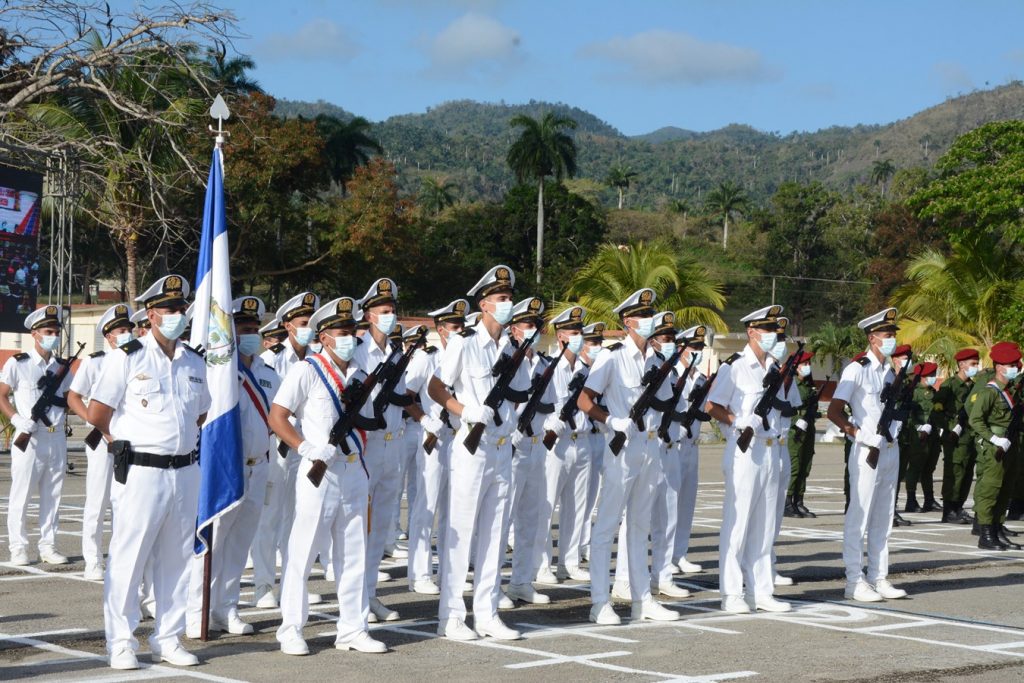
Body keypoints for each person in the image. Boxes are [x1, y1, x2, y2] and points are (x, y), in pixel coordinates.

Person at [88, 275, 210, 669]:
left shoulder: (193, 361)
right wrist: (123, 439)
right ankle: (121, 641)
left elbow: (201, 412)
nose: (177, 316)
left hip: (185, 470)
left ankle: (168, 636)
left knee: (177, 559)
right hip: (141, 471)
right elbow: (97, 412)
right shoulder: (129, 355)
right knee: (129, 558)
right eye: (169, 310)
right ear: (152, 314)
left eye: (181, 309)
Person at [269, 296, 386, 655]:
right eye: (341, 331)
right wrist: (305, 447)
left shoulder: (362, 375)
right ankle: (291, 627)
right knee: (302, 552)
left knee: (353, 555)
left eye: (352, 330)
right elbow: (278, 416)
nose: (348, 336)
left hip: (354, 471)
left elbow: (368, 422)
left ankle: (353, 627)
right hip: (319, 473)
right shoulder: (307, 370)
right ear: (324, 337)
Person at [428, 265, 531, 641]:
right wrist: (464, 411)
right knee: (460, 531)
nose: (508, 304)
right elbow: (436, 387)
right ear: (484, 303)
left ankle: (486, 612)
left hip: (503, 450)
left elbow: (521, 394)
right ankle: (452, 616)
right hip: (473, 448)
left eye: (510, 298)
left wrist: (514, 425)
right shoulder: (464, 341)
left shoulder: (514, 348)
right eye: (502, 298)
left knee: (494, 533)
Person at [578, 291, 681, 625]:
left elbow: (665, 404)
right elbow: (584, 399)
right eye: (644, 314)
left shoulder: (654, 360)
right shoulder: (612, 357)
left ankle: (642, 599)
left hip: (650, 450)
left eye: (651, 312)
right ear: (628, 321)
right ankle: (599, 601)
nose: (650, 319)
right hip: (621, 448)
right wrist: (610, 419)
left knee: (639, 526)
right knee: (607, 525)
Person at [185, 296, 278, 638]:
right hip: (226, 466)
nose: (251, 334)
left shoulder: (268, 373)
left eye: (255, 329)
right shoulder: (219, 370)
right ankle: (198, 610)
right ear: (231, 332)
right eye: (244, 329)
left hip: (259, 466)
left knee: (240, 544)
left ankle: (227, 608)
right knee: (214, 540)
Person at [706, 305, 793, 614]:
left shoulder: (775, 367)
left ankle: (762, 591)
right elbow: (712, 405)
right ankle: (732, 593)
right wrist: (737, 421)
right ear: (752, 332)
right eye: (767, 330)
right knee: (738, 524)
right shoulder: (735, 366)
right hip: (745, 451)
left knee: (765, 525)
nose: (773, 336)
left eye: (775, 330)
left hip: (771, 450)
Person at [352, 278, 426, 623]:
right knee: (358, 528)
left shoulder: (396, 353)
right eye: (383, 311)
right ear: (368, 314)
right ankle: (354, 601)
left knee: (380, 528)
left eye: (393, 310)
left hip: (393, 446)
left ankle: (369, 596)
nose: (390, 316)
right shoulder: (355, 350)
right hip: (366, 446)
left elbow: (402, 398)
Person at [827, 307, 909, 603]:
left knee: (883, 517)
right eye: (888, 335)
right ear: (873, 337)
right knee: (859, 517)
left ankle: (879, 576)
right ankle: (854, 580)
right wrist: (860, 435)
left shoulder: (889, 372)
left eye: (893, 335)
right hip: (866, 451)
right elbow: (834, 412)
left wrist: (894, 429)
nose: (892, 340)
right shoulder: (857, 368)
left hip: (889, 448)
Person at [252, 292, 320, 609]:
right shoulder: (270, 360)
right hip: (276, 449)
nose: (309, 328)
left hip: (307, 449)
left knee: (298, 519)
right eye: (303, 323)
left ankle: (295, 585)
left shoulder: (319, 359)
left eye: (312, 322)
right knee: (269, 519)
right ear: (287, 326)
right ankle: (264, 585)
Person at [1, 304, 72, 567]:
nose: (53, 335)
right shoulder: (19, 363)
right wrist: (17, 419)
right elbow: (1, 394)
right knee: (21, 495)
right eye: (48, 330)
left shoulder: (62, 367)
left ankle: (48, 545)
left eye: (55, 330)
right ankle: (18, 547)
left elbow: (70, 398)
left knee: (53, 494)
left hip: (56, 437)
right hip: (29, 437)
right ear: (35, 333)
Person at [67, 303, 135, 580]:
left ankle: (120, 558)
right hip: (100, 442)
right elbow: (74, 397)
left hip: (128, 441)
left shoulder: (137, 359)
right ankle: (92, 559)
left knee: (125, 504)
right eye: (122, 330)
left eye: (129, 329)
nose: (127, 334)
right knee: (97, 503)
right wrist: (97, 424)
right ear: (109, 336)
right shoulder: (96, 362)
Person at [406, 299, 467, 594]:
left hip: (457, 439)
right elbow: (404, 395)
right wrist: (424, 419)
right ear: (441, 329)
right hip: (433, 437)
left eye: (462, 326)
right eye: (454, 326)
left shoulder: (465, 353)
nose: (460, 331)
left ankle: (448, 570)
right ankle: (419, 573)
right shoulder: (426, 358)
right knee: (426, 506)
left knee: (453, 509)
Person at [535, 305, 593, 584]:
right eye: (573, 331)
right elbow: (533, 403)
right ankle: (542, 563)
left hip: (580, 441)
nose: (578, 336)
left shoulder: (585, 370)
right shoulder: (548, 367)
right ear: (560, 336)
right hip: (554, 444)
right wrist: (548, 423)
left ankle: (569, 562)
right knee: (546, 505)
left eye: (580, 331)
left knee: (577, 508)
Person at [505, 296, 555, 605]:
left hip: (536, 446)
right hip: (511, 446)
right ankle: (490, 586)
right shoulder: (506, 359)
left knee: (530, 518)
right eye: (527, 324)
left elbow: (550, 404)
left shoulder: (545, 364)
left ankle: (521, 580)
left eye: (536, 324)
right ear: (514, 328)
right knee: (501, 520)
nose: (533, 329)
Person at [967, 341, 1023, 550]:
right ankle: (986, 534)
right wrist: (994, 439)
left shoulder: (1009, 391)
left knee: (1005, 489)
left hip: (1010, 446)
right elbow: (975, 420)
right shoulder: (989, 392)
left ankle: (998, 529)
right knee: (990, 489)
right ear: (999, 367)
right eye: (1010, 365)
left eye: (1015, 365)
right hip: (994, 448)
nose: (1014, 368)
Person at [672, 325, 711, 575]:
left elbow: (706, 411)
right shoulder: (671, 375)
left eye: (700, 348)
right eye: (693, 347)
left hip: (692, 447)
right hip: (673, 445)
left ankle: (680, 554)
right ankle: (665, 558)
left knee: (686, 504)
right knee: (668, 505)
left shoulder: (701, 378)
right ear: (681, 349)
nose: (697, 351)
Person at [933, 348, 980, 524]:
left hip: (969, 436)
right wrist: (952, 428)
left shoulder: (974, 386)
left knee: (967, 473)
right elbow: (937, 410)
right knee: (954, 472)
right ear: (961, 365)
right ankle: (949, 510)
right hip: (954, 437)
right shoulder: (949, 385)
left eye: (976, 363)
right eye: (972, 364)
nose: (975, 366)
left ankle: (959, 507)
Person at [786, 351, 819, 519]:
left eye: (808, 364)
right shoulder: (790, 384)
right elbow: (785, 409)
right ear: (795, 366)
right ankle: (787, 502)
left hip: (809, 429)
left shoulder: (808, 386)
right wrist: (796, 420)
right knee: (794, 466)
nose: (807, 367)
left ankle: (799, 500)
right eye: (804, 364)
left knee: (806, 465)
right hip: (795, 431)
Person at [904, 362, 940, 513]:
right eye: (931, 375)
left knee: (929, 468)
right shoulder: (913, 392)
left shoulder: (934, 392)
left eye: (934, 375)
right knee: (915, 468)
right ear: (922, 377)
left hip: (933, 435)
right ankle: (911, 500)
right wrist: (919, 427)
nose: (933, 378)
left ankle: (929, 499)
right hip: (918, 436)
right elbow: (907, 415)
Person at [890, 344, 914, 528]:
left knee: (897, 476)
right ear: (895, 360)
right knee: (888, 477)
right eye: (904, 358)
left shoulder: (905, 381)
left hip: (903, 434)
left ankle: (892, 510)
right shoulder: (889, 377)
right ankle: (887, 512)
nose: (908, 362)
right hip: (888, 434)